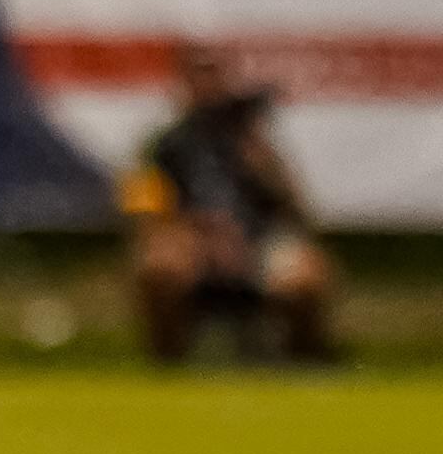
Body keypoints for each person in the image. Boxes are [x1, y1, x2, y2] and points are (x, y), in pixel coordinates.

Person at [120, 44, 337, 365]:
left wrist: (260, 163)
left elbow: (297, 211)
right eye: (198, 75)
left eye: (214, 75)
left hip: (257, 241)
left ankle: (306, 360)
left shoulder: (250, 140)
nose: (207, 85)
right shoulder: (161, 145)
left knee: (304, 275)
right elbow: (143, 215)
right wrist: (198, 236)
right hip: (191, 244)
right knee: (160, 266)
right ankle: (168, 362)